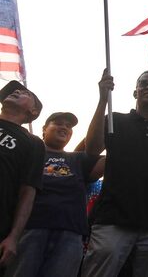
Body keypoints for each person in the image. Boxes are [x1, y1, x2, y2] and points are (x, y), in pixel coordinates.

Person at [82, 70, 148, 277]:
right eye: (144, 83)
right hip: (112, 217)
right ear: (135, 92)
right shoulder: (114, 120)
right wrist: (103, 99)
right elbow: (92, 149)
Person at [7, 112, 104, 277]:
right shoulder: (28, 155)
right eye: (58, 123)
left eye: (68, 126)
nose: (64, 127)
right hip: (29, 230)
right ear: (44, 129)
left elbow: (110, 156)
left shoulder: (79, 160)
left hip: (70, 235)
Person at [0, 81, 44, 276]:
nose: (17, 91)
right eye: (15, 90)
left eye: (25, 93)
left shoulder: (33, 143)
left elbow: (28, 192)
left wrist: (14, 237)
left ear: (33, 111)